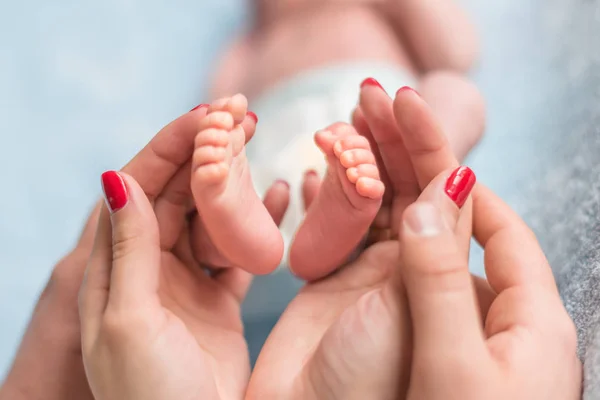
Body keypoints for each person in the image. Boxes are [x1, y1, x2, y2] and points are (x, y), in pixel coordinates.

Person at [0, 84, 581, 399]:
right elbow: (224, 95)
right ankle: (242, 223)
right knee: (226, 160)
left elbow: (452, 53)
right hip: (309, 137)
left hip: (369, 129)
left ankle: (305, 232)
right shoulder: (256, 35)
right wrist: (222, 129)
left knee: (448, 97)